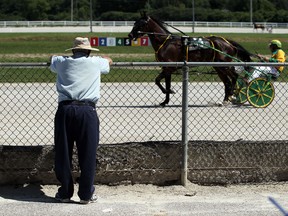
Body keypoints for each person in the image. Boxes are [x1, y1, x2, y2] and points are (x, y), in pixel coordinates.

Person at [49, 37, 112, 204]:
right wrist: (105, 59)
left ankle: (65, 192)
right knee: (88, 152)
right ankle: (86, 193)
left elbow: (51, 59)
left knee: (63, 152)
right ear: (89, 51)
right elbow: (108, 61)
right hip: (87, 110)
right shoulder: (96, 62)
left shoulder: (62, 61)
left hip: (65, 109)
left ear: (73, 51)